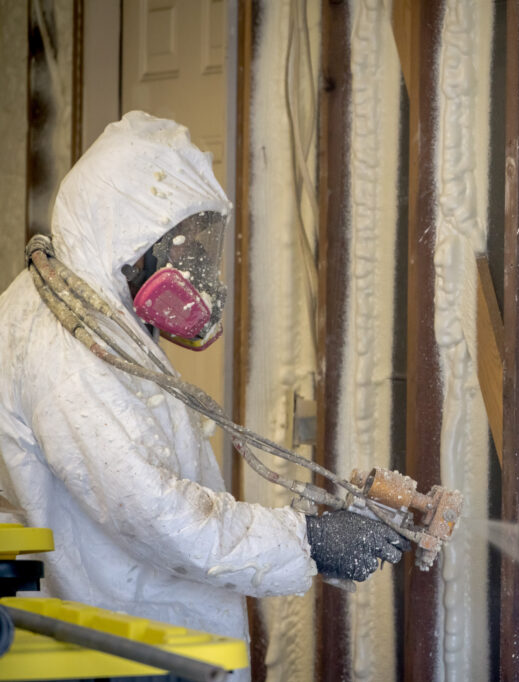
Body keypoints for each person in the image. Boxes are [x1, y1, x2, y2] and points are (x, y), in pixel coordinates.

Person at [0, 112, 403, 652]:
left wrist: (308, 534)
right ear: (127, 236)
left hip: (133, 616)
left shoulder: (88, 308)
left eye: (200, 249)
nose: (196, 274)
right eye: (181, 249)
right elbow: (155, 515)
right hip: (119, 638)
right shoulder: (65, 355)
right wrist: (308, 540)